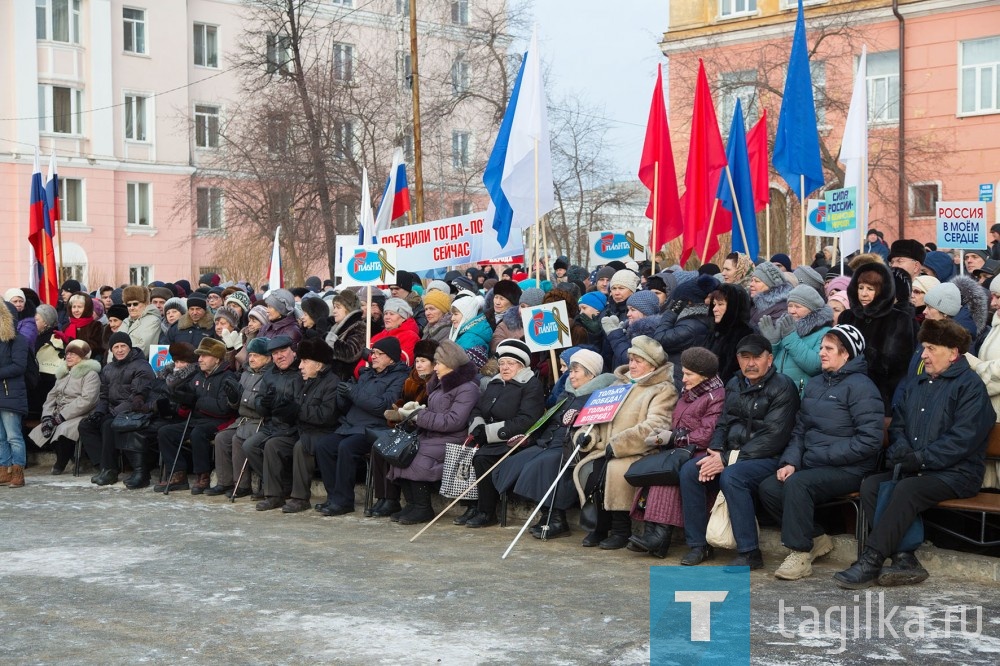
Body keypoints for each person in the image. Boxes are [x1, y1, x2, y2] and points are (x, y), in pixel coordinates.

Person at [834, 319, 995, 589]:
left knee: (908, 489)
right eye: (924, 348)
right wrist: (901, 450)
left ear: (953, 353)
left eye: (931, 348)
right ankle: (904, 557)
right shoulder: (917, 383)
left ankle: (872, 560)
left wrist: (920, 458)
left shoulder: (970, 388)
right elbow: (899, 426)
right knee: (872, 485)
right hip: (921, 468)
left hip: (958, 473)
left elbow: (962, 441)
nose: (924, 355)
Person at [758, 325, 884, 580]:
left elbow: (870, 440)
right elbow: (800, 430)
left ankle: (800, 554)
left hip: (852, 468)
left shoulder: (862, 387)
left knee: (799, 485)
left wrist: (820, 456)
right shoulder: (816, 384)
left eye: (828, 349)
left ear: (846, 354)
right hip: (816, 463)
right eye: (821, 348)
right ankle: (815, 536)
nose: (822, 353)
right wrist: (791, 461)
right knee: (769, 487)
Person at [678, 334, 800, 569]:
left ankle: (750, 552)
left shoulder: (783, 386)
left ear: (770, 359)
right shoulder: (734, 384)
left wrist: (726, 460)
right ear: (737, 359)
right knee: (690, 471)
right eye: (745, 358)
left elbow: (774, 437)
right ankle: (698, 545)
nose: (751, 363)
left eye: (757, 357)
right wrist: (715, 452)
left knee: (733, 476)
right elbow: (723, 424)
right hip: (732, 455)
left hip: (768, 458)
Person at [492, 349, 617, 540]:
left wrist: (579, 420)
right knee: (513, 463)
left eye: (576, 371)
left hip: (571, 447)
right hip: (548, 442)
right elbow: (549, 421)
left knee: (541, 465)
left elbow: (596, 429)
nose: (571, 375)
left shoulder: (600, 396)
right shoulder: (567, 394)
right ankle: (546, 513)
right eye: (571, 370)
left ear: (591, 374)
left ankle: (557, 518)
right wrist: (528, 438)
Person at [573, 336, 677, 549]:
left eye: (638, 360)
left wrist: (620, 444)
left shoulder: (663, 389)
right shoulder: (618, 383)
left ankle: (621, 530)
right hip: (605, 448)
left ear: (652, 364)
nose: (632, 364)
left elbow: (656, 426)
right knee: (593, 473)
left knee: (614, 470)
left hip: (638, 450)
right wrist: (588, 435)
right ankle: (599, 527)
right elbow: (596, 416)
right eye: (631, 359)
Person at [629, 347, 725, 558]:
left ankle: (660, 537)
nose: (684, 378)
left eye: (689, 374)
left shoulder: (715, 396)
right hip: (683, 449)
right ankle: (653, 533)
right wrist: (666, 435)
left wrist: (675, 437)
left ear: (704, 375)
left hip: (700, 452)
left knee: (671, 474)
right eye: (684, 373)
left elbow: (708, 433)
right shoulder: (688, 393)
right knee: (657, 470)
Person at [387, 340, 479, 524]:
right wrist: (416, 411)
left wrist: (419, 416)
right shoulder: (439, 385)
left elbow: (454, 421)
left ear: (451, 364)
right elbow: (435, 412)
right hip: (433, 435)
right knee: (401, 452)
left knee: (418, 455)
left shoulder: (467, 388)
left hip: (454, 438)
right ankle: (412, 504)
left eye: (438, 363)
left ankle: (423, 508)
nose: (434, 367)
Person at [314, 337, 408, 516]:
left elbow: (384, 406)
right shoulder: (366, 375)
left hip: (375, 428)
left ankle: (343, 501)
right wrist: (343, 395)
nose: (374, 357)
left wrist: (353, 393)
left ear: (392, 358)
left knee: (346, 447)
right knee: (323, 445)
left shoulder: (399, 377)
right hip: (350, 425)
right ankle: (334, 496)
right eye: (373, 353)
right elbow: (348, 406)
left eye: (379, 354)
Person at [464, 340, 546, 527]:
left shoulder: (531, 385)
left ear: (522, 365)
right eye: (502, 363)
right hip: (489, 438)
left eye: (511, 363)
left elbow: (526, 421)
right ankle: (471, 507)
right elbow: (477, 409)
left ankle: (486, 512)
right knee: (470, 452)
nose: (505, 367)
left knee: (482, 458)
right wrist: (477, 427)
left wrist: (489, 432)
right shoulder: (495, 383)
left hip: (514, 441)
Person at [155, 338, 237, 494]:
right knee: (165, 432)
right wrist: (181, 402)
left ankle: (203, 475)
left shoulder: (227, 377)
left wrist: (196, 401)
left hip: (219, 422)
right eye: (199, 356)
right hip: (196, 420)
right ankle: (178, 474)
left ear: (217, 359)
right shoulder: (197, 376)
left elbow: (223, 409)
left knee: (198, 433)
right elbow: (187, 407)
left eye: (204, 356)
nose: (200, 359)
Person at [273, 338, 342, 513]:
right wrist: (279, 408)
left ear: (318, 365)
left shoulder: (332, 382)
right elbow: (292, 408)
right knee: (274, 444)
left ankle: (300, 498)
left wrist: (298, 410)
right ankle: (274, 494)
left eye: (305, 361)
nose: (300, 366)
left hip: (322, 432)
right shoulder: (301, 380)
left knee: (301, 446)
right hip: (301, 429)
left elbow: (326, 416)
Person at [78, 332, 154, 486]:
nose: (119, 350)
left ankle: (111, 469)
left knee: (108, 424)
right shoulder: (108, 368)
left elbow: (137, 396)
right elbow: (104, 395)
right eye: (116, 347)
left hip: (134, 411)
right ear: (111, 350)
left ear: (129, 347)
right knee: (86, 425)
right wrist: (99, 411)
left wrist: (113, 413)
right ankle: (103, 466)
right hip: (113, 410)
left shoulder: (141, 366)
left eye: (123, 346)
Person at [838, 262, 915, 414]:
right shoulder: (847, 317)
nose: (864, 294)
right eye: (860, 288)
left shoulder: (899, 319)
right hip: (844, 393)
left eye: (870, 289)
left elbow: (897, 365)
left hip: (880, 397)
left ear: (882, 291)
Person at [376, 339, 438, 518]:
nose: (418, 365)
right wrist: (397, 410)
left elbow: (430, 410)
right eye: (417, 360)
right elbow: (403, 401)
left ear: (434, 364)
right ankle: (386, 498)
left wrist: (408, 415)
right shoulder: (411, 380)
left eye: (423, 361)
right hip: (409, 427)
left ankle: (406, 502)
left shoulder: (435, 382)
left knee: (403, 450)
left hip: (423, 429)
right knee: (381, 446)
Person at [204, 337, 271, 498]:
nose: (252, 359)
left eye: (256, 355)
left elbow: (264, 402)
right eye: (250, 355)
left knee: (238, 439)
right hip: (242, 420)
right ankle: (224, 481)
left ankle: (242, 485)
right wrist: (233, 399)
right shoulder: (246, 373)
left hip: (258, 421)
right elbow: (236, 405)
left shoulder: (269, 375)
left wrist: (243, 396)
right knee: (222, 438)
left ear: (268, 357)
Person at [241, 336, 304, 506]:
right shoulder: (270, 374)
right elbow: (260, 403)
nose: (279, 356)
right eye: (275, 353)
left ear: (293, 352)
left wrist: (285, 406)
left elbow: (301, 403)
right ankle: (277, 484)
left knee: (272, 445)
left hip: (294, 427)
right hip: (273, 425)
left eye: (283, 351)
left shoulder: (301, 372)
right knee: (250, 445)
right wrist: (263, 404)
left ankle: (274, 494)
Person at [28, 340, 101, 474]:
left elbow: (87, 400)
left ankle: (61, 462)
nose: (68, 356)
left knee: (63, 429)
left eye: (73, 354)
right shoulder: (63, 375)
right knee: (42, 430)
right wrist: (47, 417)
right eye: (67, 353)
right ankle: (70, 457)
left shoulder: (91, 375)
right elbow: (51, 397)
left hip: (82, 414)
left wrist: (61, 416)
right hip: (59, 413)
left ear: (83, 356)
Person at [759, 284, 833, 388]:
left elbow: (816, 366)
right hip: (777, 393)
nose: (792, 311)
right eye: (790, 306)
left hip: (802, 395)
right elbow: (767, 366)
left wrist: (790, 337)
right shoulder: (783, 327)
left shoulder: (825, 332)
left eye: (798, 307)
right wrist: (773, 343)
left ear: (811, 309)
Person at [652, 275, 717, 389]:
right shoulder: (690, 319)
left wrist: (671, 312)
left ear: (688, 302)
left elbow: (660, 339)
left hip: (680, 380)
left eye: (676, 301)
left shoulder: (692, 325)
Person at [0, 301, 30, 488]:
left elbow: (19, 366)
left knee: (13, 436)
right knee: (0, 437)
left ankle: (18, 471)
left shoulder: (18, 340)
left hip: (11, 393)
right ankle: (4, 469)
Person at [703, 284, 753, 384]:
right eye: (714, 304)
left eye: (720, 304)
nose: (714, 309)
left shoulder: (745, 335)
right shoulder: (715, 331)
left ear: (733, 307)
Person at [358, 297, 419, 376]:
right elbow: (363, 361)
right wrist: (359, 370)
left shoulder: (410, 336)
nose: (387, 317)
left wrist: (370, 357)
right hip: (367, 380)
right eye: (386, 313)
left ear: (403, 318)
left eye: (392, 314)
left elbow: (402, 361)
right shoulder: (378, 336)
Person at [325, 289, 366, 380]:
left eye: (338, 307)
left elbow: (351, 353)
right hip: (332, 378)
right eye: (334, 307)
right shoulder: (336, 326)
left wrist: (333, 343)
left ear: (349, 309)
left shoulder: (359, 326)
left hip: (345, 380)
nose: (334, 311)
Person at [748, 262, 792, 331]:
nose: (751, 284)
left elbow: (770, 334)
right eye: (751, 280)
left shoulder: (782, 308)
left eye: (756, 281)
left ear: (770, 285)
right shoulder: (752, 302)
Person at [449, 292, 492, 363]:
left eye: (456, 314)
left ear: (467, 315)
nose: (452, 318)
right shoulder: (467, 333)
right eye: (452, 314)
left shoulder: (470, 338)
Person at [120, 286, 163, 355]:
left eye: (135, 304)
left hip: (136, 363)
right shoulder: (126, 321)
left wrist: (121, 358)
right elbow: (113, 345)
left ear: (145, 304)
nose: (131, 308)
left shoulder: (153, 321)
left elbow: (143, 348)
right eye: (128, 305)